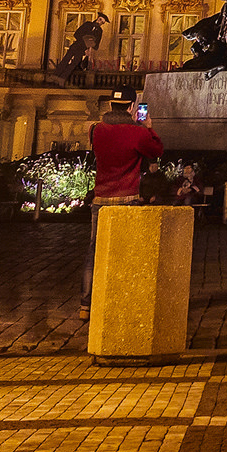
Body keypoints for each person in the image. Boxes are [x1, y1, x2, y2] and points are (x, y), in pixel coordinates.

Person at [83, 88, 164, 320]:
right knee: (127, 252)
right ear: (131, 107)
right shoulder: (136, 132)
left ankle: (85, 304)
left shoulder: (95, 129)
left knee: (94, 251)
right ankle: (121, 298)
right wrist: (148, 128)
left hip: (101, 199)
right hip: (127, 198)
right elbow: (156, 151)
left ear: (111, 105)